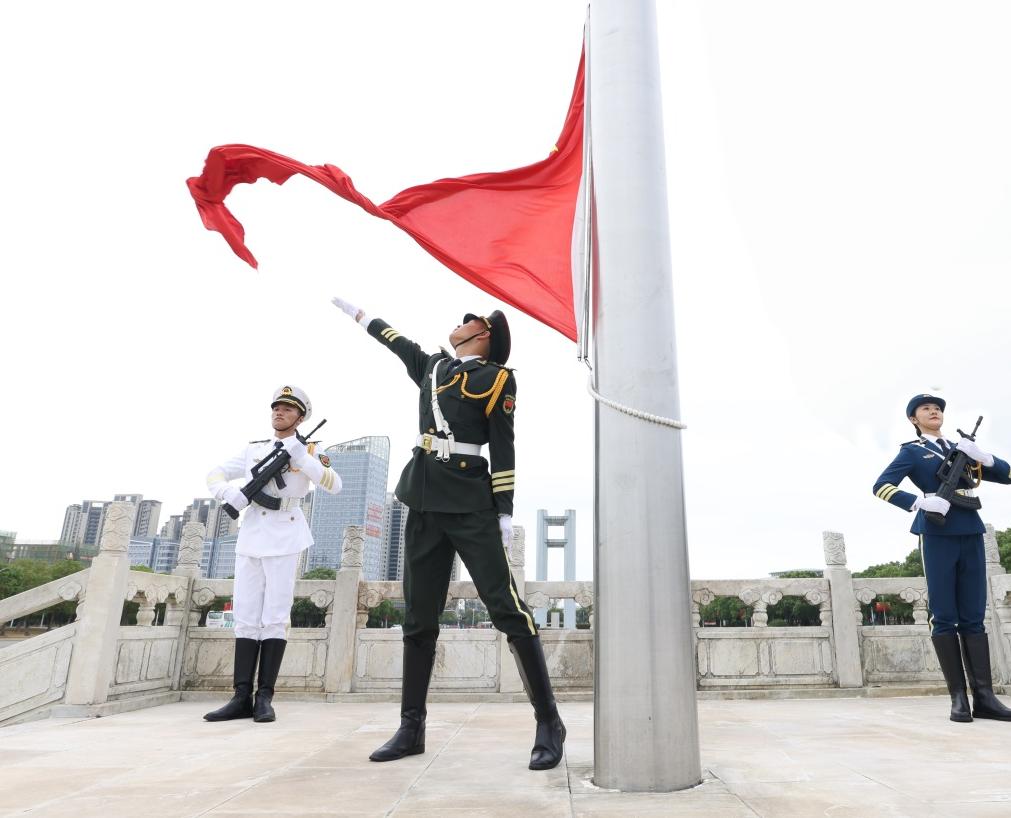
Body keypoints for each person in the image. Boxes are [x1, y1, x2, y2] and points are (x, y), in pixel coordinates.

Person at [331, 296, 565, 770]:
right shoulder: (434, 367)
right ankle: (411, 727)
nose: (459, 324)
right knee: (418, 616)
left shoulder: (497, 379)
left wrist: (504, 511)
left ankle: (548, 722)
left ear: (484, 336)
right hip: (423, 499)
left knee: (507, 609)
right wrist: (360, 315)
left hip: (470, 503)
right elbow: (396, 342)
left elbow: (504, 446)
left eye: (469, 321)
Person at [203, 385, 342, 723]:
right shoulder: (255, 449)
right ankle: (240, 696)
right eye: (276, 407)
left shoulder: (310, 449)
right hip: (251, 534)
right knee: (246, 615)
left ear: (300, 417)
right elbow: (214, 474)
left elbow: (334, 484)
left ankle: (264, 696)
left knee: (276, 616)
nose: (279, 412)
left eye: (288, 409)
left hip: (285, 535)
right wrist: (230, 494)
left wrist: (301, 458)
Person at [873, 393, 1011, 722]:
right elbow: (881, 486)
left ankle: (985, 697)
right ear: (914, 419)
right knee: (944, 615)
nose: (934, 411)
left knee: (974, 615)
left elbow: (1008, 475)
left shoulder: (961, 449)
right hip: (936, 532)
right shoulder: (911, 451)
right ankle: (958, 697)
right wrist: (919, 503)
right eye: (926, 409)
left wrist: (984, 457)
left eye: (938, 408)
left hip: (970, 529)